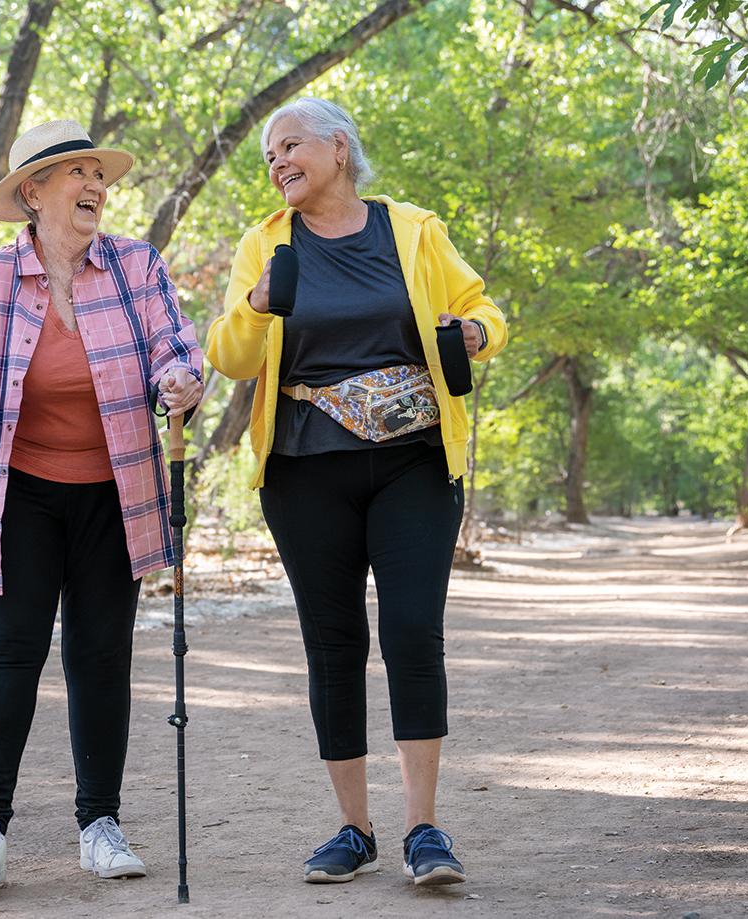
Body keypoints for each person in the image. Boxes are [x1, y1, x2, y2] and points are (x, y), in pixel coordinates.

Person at [205, 97, 505, 888]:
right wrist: (258, 304)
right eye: (270, 156)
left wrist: (477, 333)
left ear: (338, 148)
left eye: (290, 146)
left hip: (414, 461)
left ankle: (423, 829)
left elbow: (481, 310)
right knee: (334, 644)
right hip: (306, 470)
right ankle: (354, 828)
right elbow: (230, 356)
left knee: (412, 631)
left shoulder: (410, 228)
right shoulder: (266, 246)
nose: (277, 164)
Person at [0, 119, 203, 890]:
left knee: (100, 658)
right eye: (76, 173)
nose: (94, 186)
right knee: (8, 654)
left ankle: (99, 823)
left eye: (97, 174)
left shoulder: (137, 266)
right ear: (33, 193)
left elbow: (177, 347)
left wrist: (179, 379)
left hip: (115, 490)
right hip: (19, 493)